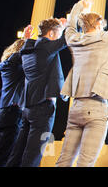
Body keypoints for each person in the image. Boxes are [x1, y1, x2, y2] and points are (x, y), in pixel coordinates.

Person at [56, 0, 108, 167]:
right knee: (85, 162)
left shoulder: (73, 40)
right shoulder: (104, 39)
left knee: (64, 161)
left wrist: (80, 6)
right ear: (98, 25)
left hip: (75, 107)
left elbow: (69, 26)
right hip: (96, 107)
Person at [6, 18, 68, 167]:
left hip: (28, 107)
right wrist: (69, 23)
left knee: (18, 151)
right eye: (58, 33)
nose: (59, 37)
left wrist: (26, 37)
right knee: (34, 153)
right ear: (52, 34)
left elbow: (28, 43)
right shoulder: (46, 48)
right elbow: (68, 39)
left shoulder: (27, 49)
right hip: (43, 108)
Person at [0, 27, 32, 167]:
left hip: (3, 110)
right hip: (12, 109)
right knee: (4, 153)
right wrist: (26, 40)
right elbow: (21, 56)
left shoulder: (6, 65)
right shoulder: (13, 65)